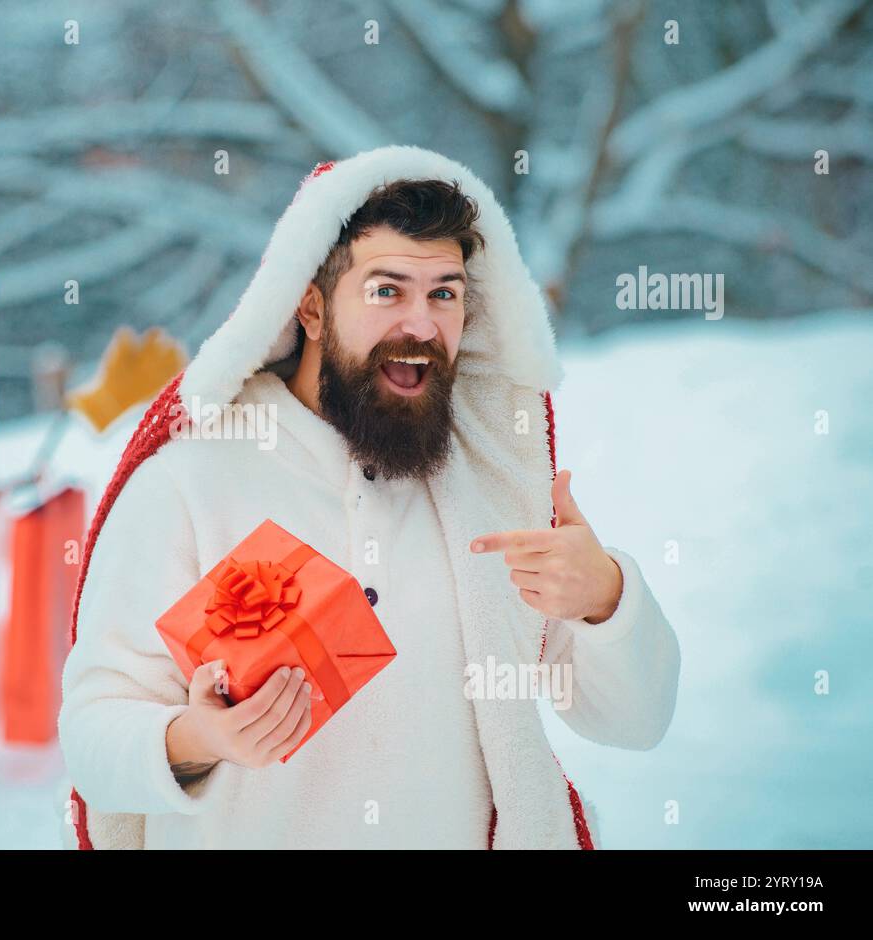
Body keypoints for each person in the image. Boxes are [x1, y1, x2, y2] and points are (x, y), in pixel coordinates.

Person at [56, 145, 680, 849]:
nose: (421, 324)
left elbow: (636, 721)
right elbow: (91, 736)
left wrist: (603, 598)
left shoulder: (488, 483)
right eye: (387, 290)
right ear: (312, 307)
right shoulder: (192, 475)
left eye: (444, 293)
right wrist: (197, 738)